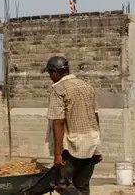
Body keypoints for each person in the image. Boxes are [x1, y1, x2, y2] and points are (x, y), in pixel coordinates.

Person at [44, 56, 102, 195]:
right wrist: (98, 147)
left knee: (60, 184)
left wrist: (57, 154)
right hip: (92, 143)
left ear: (55, 72)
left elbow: (58, 121)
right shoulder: (87, 86)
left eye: (50, 73)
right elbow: (95, 117)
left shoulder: (59, 89)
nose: (50, 77)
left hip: (74, 146)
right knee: (82, 186)